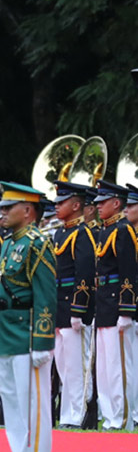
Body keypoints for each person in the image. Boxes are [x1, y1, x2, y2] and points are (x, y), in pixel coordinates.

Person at [0, 182, 56, 452]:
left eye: (9, 207)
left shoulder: (38, 243)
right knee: (14, 405)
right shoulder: (9, 243)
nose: (2, 213)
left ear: (28, 211)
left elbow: (46, 295)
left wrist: (42, 341)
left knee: (34, 407)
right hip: (6, 328)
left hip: (27, 330)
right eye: (2, 207)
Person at [92, 180, 136, 431]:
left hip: (117, 304)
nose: (98, 207)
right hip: (103, 303)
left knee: (119, 367)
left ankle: (121, 419)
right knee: (106, 368)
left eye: (103, 202)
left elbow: (129, 271)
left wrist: (126, 310)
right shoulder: (105, 231)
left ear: (116, 203)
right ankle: (109, 416)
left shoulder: (123, 230)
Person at [52, 181, 96, 429]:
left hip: (72, 306)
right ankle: (67, 413)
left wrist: (79, 310)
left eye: (62, 202)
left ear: (76, 205)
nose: (57, 207)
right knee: (63, 364)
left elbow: (84, 275)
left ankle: (77, 415)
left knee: (76, 365)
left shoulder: (83, 234)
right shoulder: (60, 233)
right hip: (58, 305)